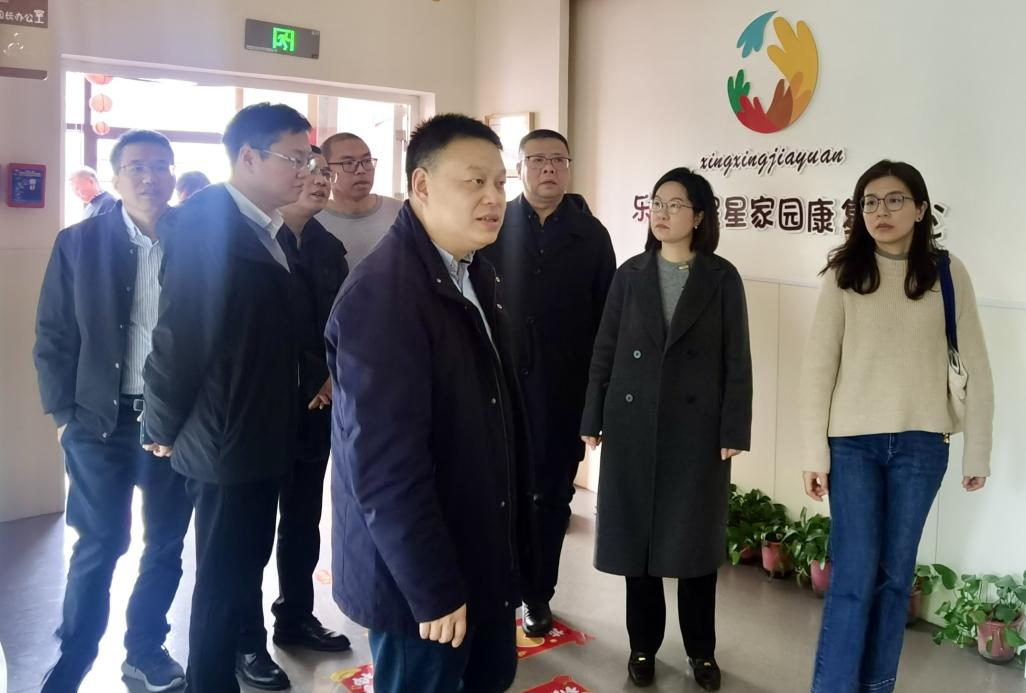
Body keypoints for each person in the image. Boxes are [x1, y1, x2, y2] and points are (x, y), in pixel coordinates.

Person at [326, 113, 527, 693]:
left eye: (500, 183)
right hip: (421, 583)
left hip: (476, 551)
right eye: (475, 182)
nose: (494, 198)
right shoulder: (384, 296)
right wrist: (432, 587)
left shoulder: (473, 272)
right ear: (421, 185)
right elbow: (384, 468)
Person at [800, 160, 994, 693]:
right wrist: (814, 452)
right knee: (853, 578)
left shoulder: (947, 272)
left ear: (921, 209)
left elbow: (976, 364)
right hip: (852, 446)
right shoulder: (844, 273)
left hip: (922, 445)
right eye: (869, 202)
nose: (879, 212)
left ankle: (876, 687)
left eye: (893, 200)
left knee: (893, 581)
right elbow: (818, 368)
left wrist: (978, 451)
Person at [142, 102, 317, 693]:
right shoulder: (204, 227)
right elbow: (180, 336)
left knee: (241, 572)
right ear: (248, 157)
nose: (305, 170)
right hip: (226, 437)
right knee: (222, 584)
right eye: (294, 158)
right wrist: (160, 425)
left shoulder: (265, 227)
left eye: (309, 158)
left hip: (258, 429)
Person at [580, 167, 752, 691]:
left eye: (675, 205)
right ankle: (642, 647)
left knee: (695, 548)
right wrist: (593, 415)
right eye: (656, 203)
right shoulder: (630, 274)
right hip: (633, 423)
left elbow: (737, 359)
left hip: (697, 431)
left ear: (699, 217)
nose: (661, 213)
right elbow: (605, 347)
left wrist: (734, 428)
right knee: (640, 549)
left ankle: (702, 652)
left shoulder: (721, 277)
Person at [34, 130, 192, 692]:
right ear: (117, 176)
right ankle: (73, 659)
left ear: (173, 174)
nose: (150, 177)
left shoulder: (195, 241)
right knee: (100, 542)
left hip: (175, 423)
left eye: (160, 166)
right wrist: (62, 416)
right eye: (137, 167)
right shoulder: (79, 242)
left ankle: (145, 651)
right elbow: (53, 332)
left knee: (166, 542)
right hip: (99, 421)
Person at [479, 128, 615, 636]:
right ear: (519, 169)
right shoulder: (494, 223)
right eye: (537, 160)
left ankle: (538, 594)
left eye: (558, 159)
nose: (549, 169)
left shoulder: (591, 235)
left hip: (563, 392)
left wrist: (597, 401)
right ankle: (497, 588)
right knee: (498, 493)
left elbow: (607, 323)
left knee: (553, 499)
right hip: (498, 387)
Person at [237, 146, 352, 665]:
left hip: (315, 408)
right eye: (309, 169)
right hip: (262, 410)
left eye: (326, 172)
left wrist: (332, 373)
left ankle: (296, 617)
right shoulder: (256, 242)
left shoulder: (328, 246)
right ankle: (246, 638)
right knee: (254, 530)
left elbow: (343, 322)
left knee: (303, 523)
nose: (320, 179)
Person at [317, 132, 402, 269]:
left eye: (367, 161)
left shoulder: (399, 213)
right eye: (348, 163)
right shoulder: (313, 220)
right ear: (326, 171)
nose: (361, 170)